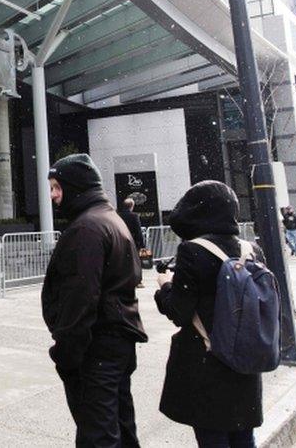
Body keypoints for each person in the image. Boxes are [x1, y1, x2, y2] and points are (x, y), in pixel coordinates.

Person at [41, 154, 147, 447]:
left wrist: (67, 352)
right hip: (115, 341)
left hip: (96, 346)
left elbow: (81, 297)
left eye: (57, 187)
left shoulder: (87, 229)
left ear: (76, 187)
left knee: (98, 435)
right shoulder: (109, 220)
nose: (53, 195)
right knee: (120, 426)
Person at [154, 181, 266, 447]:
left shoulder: (192, 251)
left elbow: (179, 312)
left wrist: (164, 286)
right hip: (245, 360)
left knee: (212, 437)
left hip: (208, 363)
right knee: (243, 436)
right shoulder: (251, 250)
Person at [118, 198, 146, 288]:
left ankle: (123, 281)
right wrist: (142, 244)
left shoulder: (118, 216)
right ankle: (138, 281)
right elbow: (138, 231)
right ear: (132, 206)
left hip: (121, 241)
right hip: (132, 242)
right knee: (136, 262)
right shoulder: (134, 216)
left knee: (122, 262)